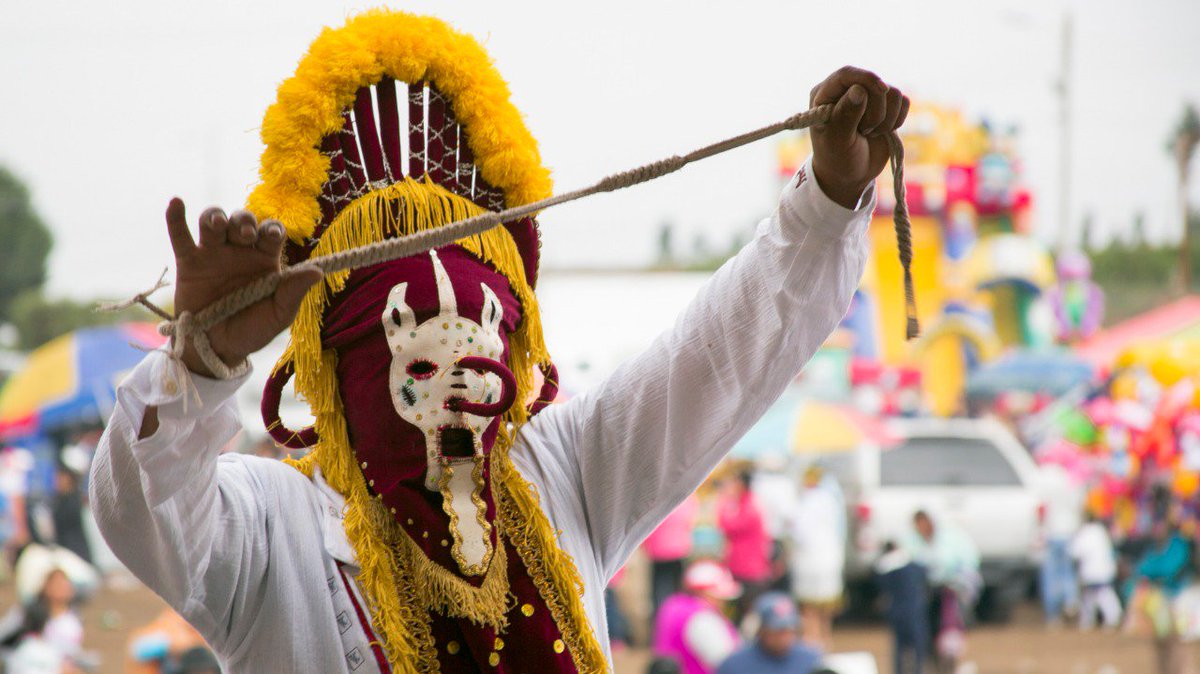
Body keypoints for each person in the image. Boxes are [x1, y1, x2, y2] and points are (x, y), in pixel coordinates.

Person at [89, 10, 909, 672]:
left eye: (483, 334)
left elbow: (717, 358)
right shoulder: (279, 529)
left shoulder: (565, 474)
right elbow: (143, 512)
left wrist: (828, 202)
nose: (462, 372)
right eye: (415, 341)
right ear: (341, 369)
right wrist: (199, 364)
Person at [904, 510, 980, 674]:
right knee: (929, 632)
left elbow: (963, 564)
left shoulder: (950, 539)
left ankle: (949, 666)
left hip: (951, 593)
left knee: (950, 632)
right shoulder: (913, 541)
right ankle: (935, 665)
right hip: (928, 594)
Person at [786, 465, 846, 650]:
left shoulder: (806, 501)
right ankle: (825, 638)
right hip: (829, 558)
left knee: (809, 607)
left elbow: (800, 531)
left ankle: (811, 639)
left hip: (809, 560)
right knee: (824, 608)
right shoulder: (832, 499)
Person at [1127, 520, 1193, 674]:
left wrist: (1149, 574)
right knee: (1161, 643)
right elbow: (1144, 566)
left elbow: (1168, 568)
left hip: (1178, 598)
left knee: (1178, 644)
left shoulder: (1177, 545)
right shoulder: (1156, 546)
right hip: (1160, 600)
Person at [654, 561, 741, 674]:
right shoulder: (702, 618)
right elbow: (725, 661)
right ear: (703, 592)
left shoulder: (672, 604)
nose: (723, 602)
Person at [0, 567, 85, 673]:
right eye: (56, 584)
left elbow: (72, 653)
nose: (60, 589)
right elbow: (4, 635)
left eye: (64, 585)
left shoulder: (73, 620)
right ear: (46, 586)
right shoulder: (28, 612)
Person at [717, 592, 822, 674]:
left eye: (790, 630)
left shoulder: (812, 660)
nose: (785, 636)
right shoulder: (735, 666)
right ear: (760, 630)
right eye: (778, 631)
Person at [717, 471, 772, 623]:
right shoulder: (746, 503)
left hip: (750, 569)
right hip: (745, 566)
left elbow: (729, 526)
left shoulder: (750, 506)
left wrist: (724, 500)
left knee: (750, 611)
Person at [1038, 463, 1083, 624]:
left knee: (1051, 575)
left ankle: (1053, 614)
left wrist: (1040, 531)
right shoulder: (1071, 481)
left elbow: (1041, 509)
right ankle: (1070, 600)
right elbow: (1079, 507)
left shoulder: (1044, 479)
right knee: (1067, 572)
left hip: (1052, 533)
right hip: (1069, 532)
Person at [875, 540, 928, 674]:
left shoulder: (885, 568)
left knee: (899, 647)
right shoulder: (910, 564)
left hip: (896, 610)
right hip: (913, 610)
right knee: (918, 646)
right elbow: (925, 573)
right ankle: (917, 671)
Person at [645, 495, 700, 618]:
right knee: (677, 591)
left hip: (658, 552)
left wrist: (647, 545)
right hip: (679, 551)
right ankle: (676, 618)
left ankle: (662, 621)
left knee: (660, 592)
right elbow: (691, 519)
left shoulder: (658, 499)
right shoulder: (686, 498)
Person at [1070, 513, 1122, 630]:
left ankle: (1108, 618)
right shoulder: (1101, 531)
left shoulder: (1084, 533)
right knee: (1096, 595)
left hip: (1091, 571)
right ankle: (1094, 620)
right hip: (1105, 570)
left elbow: (1075, 553)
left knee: (1099, 595)